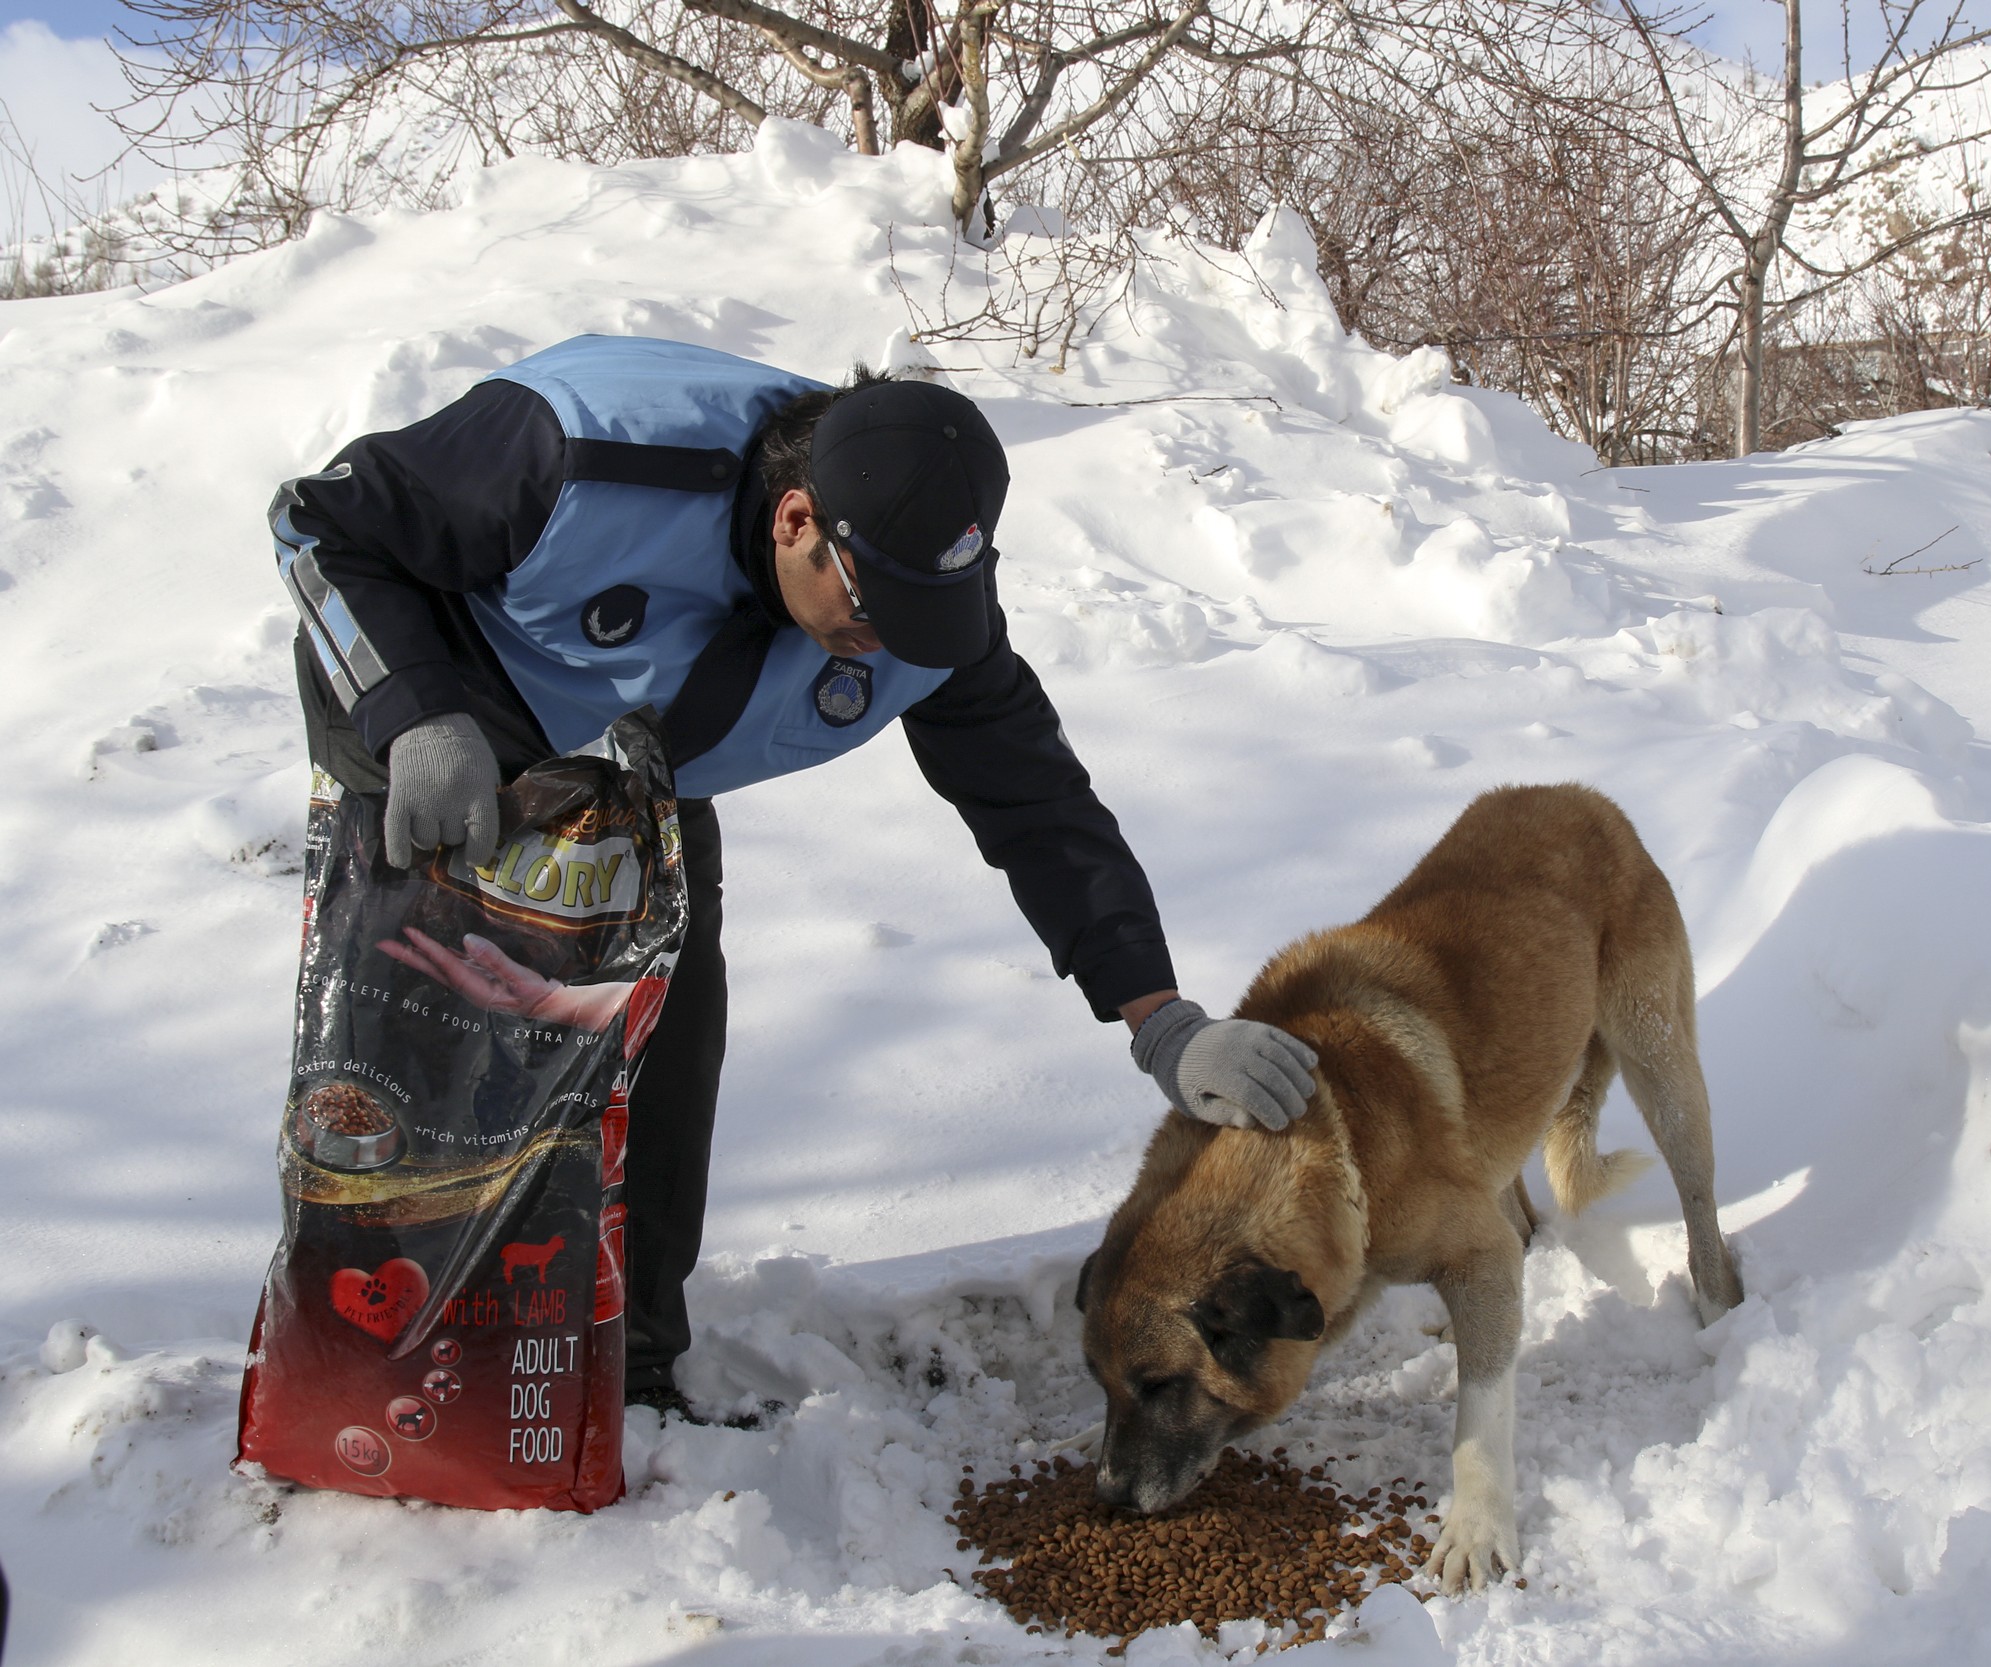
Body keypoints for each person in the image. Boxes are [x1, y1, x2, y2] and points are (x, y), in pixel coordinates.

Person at [271, 333, 1317, 1411]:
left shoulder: (916, 599)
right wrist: (411, 711)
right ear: (795, 522)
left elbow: (1039, 804)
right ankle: (375, 1359)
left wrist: (1163, 1022)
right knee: (434, 1034)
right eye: (871, 614)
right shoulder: (582, 453)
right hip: (436, 696)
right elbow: (321, 524)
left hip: (641, 756)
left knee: (659, 1028)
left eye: (919, 617)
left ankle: (623, 1372)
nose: (883, 646)